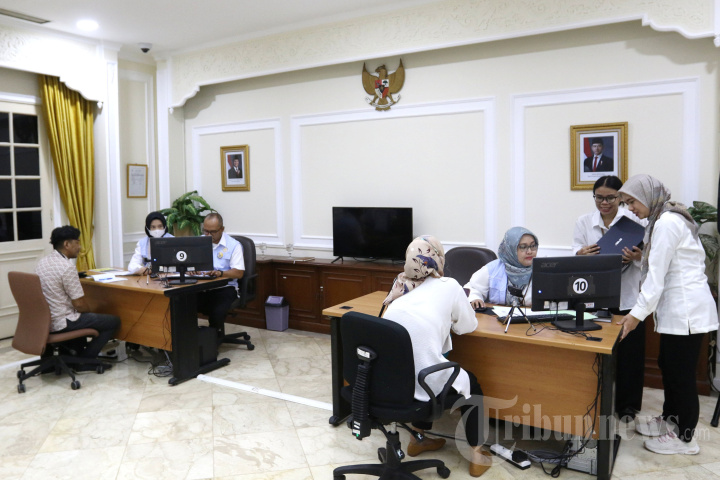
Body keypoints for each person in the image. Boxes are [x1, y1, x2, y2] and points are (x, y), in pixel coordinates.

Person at [617, 174, 718, 455]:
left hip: (686, 312)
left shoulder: (667, 223)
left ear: (648, 196)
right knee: (669, 366)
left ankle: (686, 439)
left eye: (632, 202)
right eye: (626, 203)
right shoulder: (663, 219)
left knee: (681, 375)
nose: (630, 209)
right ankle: (671, 420)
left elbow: (656, 277)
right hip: (678, 312)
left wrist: (635, 316)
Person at [382, 235, 491, 477]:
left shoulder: (399, 286)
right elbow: (467, 326)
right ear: (438, 259)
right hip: (422, 380)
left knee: (425, 362)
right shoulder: (449, 285)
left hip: (390, 382)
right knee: (471, 384)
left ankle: (417, 439)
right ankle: (477, 455)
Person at [573, 175, 647, 420]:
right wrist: (580, 254)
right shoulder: (584, 222)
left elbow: (650, 259)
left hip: (628, 296)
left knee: (630, 355)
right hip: (595, 295)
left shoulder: (635, 222)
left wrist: (637, 257)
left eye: (611, 198)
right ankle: (591, 399)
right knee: (594, 351)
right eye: (599, 197)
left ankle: (627, 406)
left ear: (620, 198)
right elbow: (574, 252)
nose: (604, 203)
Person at [35, 226, 121, 372]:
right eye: (77, 242)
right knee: (113, 321)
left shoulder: (42, 262)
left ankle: (76, 356)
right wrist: (93, 312)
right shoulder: (66, 267)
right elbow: (80, 305)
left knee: (88, 317)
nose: (80, 247)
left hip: (45, 321)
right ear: (67, 244)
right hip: (61, 321)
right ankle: (84, 361)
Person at [195, 212, 245, 342]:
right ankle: (190, 340)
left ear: (222, 229)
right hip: (201, 286)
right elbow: (190, 264)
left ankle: (212, 343)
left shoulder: (234, 245)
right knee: (182, 303)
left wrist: (220, 273)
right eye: (206, 231)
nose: (208, 235)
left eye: (212, 232)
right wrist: (191, 270)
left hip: (225, 288)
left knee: (217, 310)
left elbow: (239, 272)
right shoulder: (199, 242)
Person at [465, 227, 538, 308]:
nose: (530, 251)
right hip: (497, 315)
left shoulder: (541, 269)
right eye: (523, 247)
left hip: (533, 315)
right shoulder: (493, 269)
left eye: (533, 245)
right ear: (510, 249)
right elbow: (472, 288)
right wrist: (475, 298)